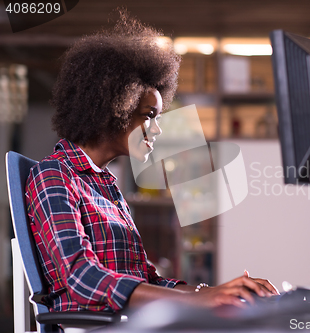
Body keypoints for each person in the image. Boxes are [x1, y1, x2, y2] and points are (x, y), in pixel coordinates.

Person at [25, 11, 278, 314]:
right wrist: (199, 300)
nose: (157, 129)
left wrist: (214, 292)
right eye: (149, 116)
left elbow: (145, 278)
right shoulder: (54, 176)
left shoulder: (106, 187)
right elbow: (82, 277)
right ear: (112, 107)